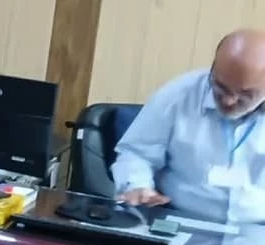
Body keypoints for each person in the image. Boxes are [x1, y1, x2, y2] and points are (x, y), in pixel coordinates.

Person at [113, 28, 265, 225]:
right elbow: (136, 153)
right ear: (213, 68)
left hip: (258, 229)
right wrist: (137, 186)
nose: (229, 101)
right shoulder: (179, 94)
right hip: (178, 220)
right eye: (221, 87)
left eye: (246, 95)